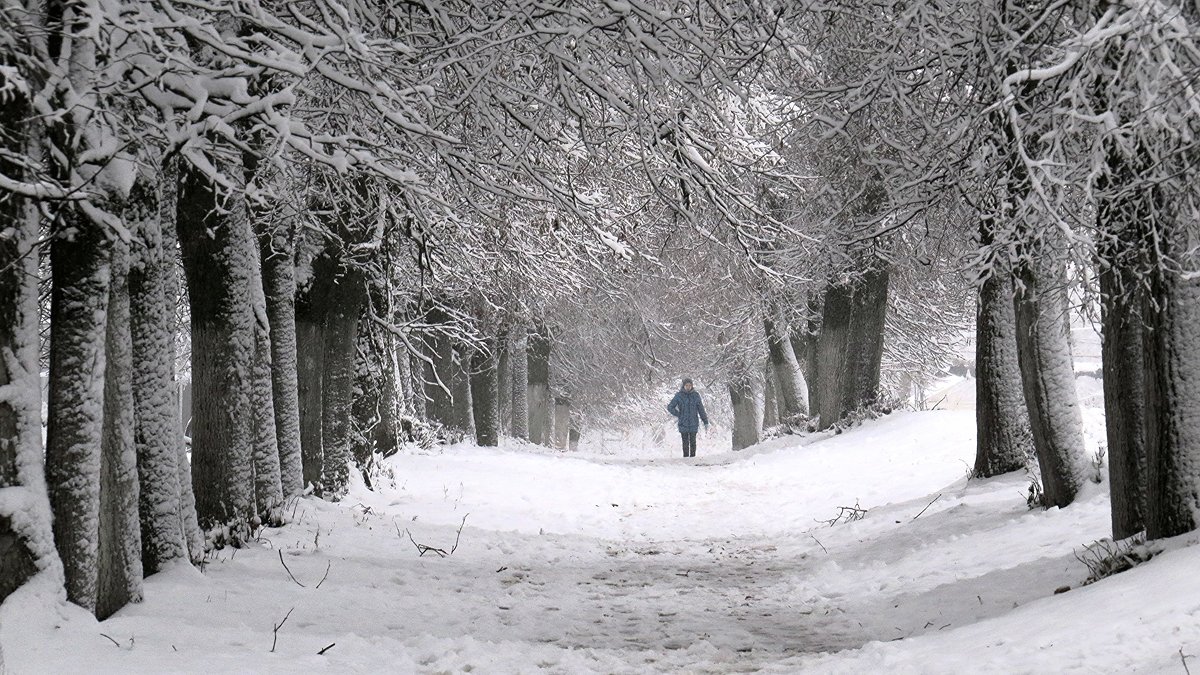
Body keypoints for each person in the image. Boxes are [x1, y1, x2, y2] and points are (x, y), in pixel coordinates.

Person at [667, 377, 709, 458]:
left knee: (693, 442)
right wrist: (679, 414)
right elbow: (670, 407)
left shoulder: (696, 395)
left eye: (690, 385)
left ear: (692, 386)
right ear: (683, 386)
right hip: (683, 423)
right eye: (686, 385)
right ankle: (686, 458)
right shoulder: (679, 396)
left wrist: (705, 421)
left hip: (694, 422)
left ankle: (693, 458)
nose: (688, 387)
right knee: (685, 442)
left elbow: (701, 409)